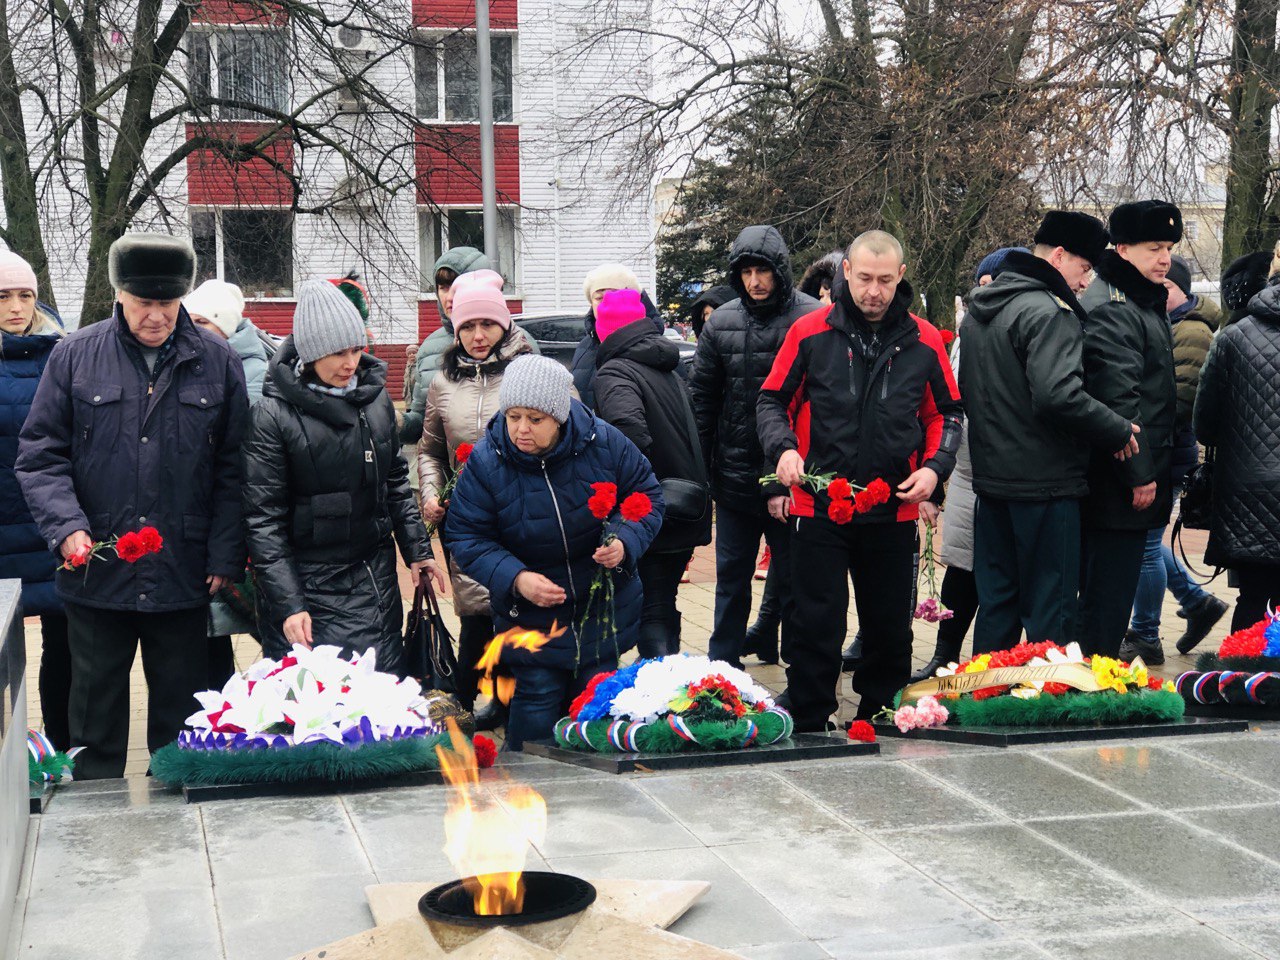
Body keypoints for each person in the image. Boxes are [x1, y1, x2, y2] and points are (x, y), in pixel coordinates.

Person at [16, 233, 249, 779]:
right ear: (119, 295)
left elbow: (237, 468)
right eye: (144, 303)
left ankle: (181, 829)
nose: (156, 317)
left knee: (182, 720)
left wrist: (223, 554)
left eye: (167, 304)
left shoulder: (216, 361)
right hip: (97, 571)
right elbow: (40, 455)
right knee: (93, 724)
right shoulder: (75, 355)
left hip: (183, 570)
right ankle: (93, 833)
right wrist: (67, 528)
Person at [758, 230, 963, 730]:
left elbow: (948, 415)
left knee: (890, 625)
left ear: (901, 278)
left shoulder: (924, 338)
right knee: (814, 621)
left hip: (892, 505)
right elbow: (771, 402)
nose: (874, 291)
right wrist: (783, 449)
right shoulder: (809, 332)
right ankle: (808, 713)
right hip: (818, 504)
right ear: (845, 272)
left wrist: (934, 469)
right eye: (865, 278)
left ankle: (883, 710)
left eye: (886, 281)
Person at [446, 355, 664, 750]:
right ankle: (527, 793)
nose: (521, 429)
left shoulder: (605, 442)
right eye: (513, 416)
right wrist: (516, 578)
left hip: (600, 610)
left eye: (535, 418)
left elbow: (646, 494)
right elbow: (466, 535)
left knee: (593, 711)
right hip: (532, 617)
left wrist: (623, 541)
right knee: (535, 711)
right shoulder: (485, 462)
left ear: (559, 417)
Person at [241, 280, 444, 671]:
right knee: (321, 705)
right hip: (309, 584)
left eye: (355, 349)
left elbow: (395, 483)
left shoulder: (376, 400)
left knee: (381, 693)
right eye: (337, 353)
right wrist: (289, 603)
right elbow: (263, 521)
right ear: (311, 353)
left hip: (375, 576)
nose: (350, 363)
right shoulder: (271, 416)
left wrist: (417, 551)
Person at [959, 212, 1136, 653]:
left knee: (997, 603)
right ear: (1059, 256)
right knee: (1050, 610)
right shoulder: (1049, 312)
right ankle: (1044, 713)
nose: (1083, 282)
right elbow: (1058, 396)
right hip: (1046, 483)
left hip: (992, 482)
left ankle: (986, 702)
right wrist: (1116, 429)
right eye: (1084, 268)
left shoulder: (981, 311)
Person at [690, 225, 819, 668]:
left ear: (779, 269)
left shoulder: (811, 318)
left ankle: (805, 673)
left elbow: (823, 403)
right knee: (731, 580)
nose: (754, 281)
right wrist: (700, 472)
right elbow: (702, 402)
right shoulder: (722, 321)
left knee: (798, 581)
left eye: (762, 270)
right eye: (745, 271)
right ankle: (722, 669)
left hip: (794, 476)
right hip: (733, 478)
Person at [417, 270, 535, 724]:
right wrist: (431, 492)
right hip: (464, 517)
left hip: (522, 511)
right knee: (474, 611)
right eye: (467, 326)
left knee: (516, 603)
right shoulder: (443, 382)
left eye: (487, 324)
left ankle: (517, 700)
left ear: (504, 324)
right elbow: (429, 450)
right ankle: (470, 703)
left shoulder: (528, 371)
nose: (478, 335)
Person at [1078, 200, 1180, 657]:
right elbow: (1119, 396)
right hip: (1118, 479)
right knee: (1107, 595)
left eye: (1170, 247)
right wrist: (1139, 472)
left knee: (1113, 591)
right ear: (1121, 249)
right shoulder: (1116, 305)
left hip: (1131, 470)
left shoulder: (1138, 297)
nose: (1165, 258)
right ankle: (1092, 681)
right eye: (1154, 247)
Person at [593, 289, 712, 658]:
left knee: (651, 609)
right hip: (686, 502)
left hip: (650, 510)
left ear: (604, 330)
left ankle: (658, 694)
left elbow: (629, 435)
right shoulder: (666, 366)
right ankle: (670, 678)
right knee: (662, 600)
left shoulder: (614, 371)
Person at [1122, 256, 1227, 661]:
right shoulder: (1171, 325)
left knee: (1146, 544)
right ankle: (1197, 601)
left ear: (1180, 292)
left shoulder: (1191, 331)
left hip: (1165, 453)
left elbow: (1180, 403)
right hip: (1160, 449)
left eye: (1166, 285)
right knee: (1145, 541)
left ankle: (1146, 633)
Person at [183, 277, 278, 687]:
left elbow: (244, 453)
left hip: (238, 519)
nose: (192, 329)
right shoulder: (200, 359)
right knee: (211, 630)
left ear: (224, 326)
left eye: (201, 321)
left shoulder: (249, 371)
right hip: (210, 517)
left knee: (256, 623)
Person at [0, 252, 69, 749]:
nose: (16, 307)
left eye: (25, 294)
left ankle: (67, 749)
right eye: (2, 296)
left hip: (51, 522)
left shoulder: (61, 353)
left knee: (64, 647)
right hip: (3, 525)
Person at [1194, 254, 1280, 632]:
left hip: (1247, 490)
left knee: (1253, 596)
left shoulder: (1233, 336)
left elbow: (1205, 425)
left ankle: (1242, 684)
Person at [400, 247, 495, 445]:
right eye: (443, 287)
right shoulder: (428, 351)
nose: (449, 296)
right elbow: (422, 426)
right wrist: (394, 421)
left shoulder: (517, 345)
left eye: (456, 285)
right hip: (448, 472)